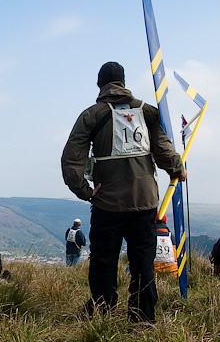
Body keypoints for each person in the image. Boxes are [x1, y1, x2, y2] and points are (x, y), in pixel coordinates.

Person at [61, 62, 186, 323]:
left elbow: (71, 160)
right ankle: (142, 320)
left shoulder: (91, 116)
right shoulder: (147, 112)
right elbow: (163, 150)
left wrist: (86, 192)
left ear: (100, 84)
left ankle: (103, 312)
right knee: (143, 263)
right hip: (145, 202)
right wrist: (178, 168)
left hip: (108, 204)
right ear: (123, 81)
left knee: (104, 262)